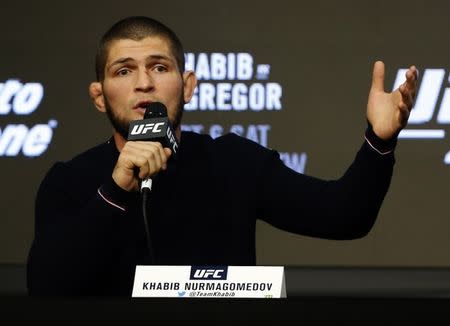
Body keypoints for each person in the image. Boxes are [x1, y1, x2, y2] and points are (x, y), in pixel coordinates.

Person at [26, 16, 418, 296]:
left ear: (188, 86)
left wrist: (379, 141)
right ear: (99, 96)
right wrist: (116, 189)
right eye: (124, 71)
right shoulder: (70, 180)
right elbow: (46, 287)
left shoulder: (231, 162)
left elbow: (344, 215)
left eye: (159, 67)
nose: (144, 82)